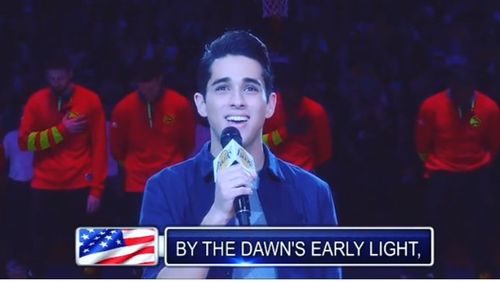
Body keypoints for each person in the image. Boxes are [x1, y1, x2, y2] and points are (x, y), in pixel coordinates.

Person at [140, 30, 341, 279]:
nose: (237, 100)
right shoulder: (165, 188)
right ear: (201, 104)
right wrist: (216, 216)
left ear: (270, 104)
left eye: (250, 88)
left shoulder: (314, 193)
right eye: (223, 88)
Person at [18, 53, 107, 278]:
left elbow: (99, 147)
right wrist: (61, 130)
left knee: (90, 244)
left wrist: (97, 189)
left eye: (60, 78)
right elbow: (24, 142)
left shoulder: (90, 100)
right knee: (39, 245)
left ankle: (92, 276)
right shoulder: (36, 101)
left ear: (70, 75)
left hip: (80, 184)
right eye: (51, 79)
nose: (56, 83)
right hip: (45, 185)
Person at [415, 62, 500, 278]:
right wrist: (432, 167)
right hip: (442, 172)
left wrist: (481, 163)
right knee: (435, 223)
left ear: (473, 87)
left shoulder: (488, 108)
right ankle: (433, 270)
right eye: (458, 88)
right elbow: (422, 144)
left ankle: (484, 270)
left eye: (467, 88)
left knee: (480, 223)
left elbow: (494, 144)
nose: (462, 93)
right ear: (451, 86)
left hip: (475, 172)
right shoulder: (431, 106)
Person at [110, 59, 196, 226]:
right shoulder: (123, 108)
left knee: (173, 235)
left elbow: (188, 143)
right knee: (140, 239)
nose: (147, 91)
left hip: (171, 182)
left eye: (151, 86)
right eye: (142, 86)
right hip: (137, 185)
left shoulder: (180, 105)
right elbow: (117, 149)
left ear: (159, 80)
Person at [263, 60, 332, 172]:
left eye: (295, 90)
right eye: (288, 90)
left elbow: (324, 155)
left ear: (302, 90)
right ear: (281, 88)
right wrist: (285, 132)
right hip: (275, 173)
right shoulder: (269, 108)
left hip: (306, 175)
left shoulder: (316, 112)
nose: (292, 95)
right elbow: (259, 144)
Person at [3, 108, 33, 278]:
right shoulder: (9, 137)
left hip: (35, 185)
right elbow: (4, 159)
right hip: (16, 185)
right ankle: (15, 261)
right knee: (16, 223)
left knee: (31, 223)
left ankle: (28, 261)